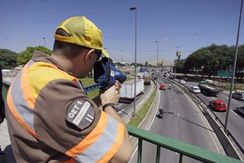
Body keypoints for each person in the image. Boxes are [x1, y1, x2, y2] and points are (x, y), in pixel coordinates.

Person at [5, 16, 132, 163]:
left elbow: (63, 115)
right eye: (97, 58)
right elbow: (122, 154)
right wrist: (109, 105)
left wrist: (102, 98)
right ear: (89, 55)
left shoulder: (33, 70)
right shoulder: (54, 88)